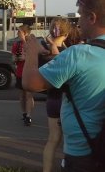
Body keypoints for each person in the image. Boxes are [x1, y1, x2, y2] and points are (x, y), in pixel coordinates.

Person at [23, 0, 105, 172]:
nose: (78, 24)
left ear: (92, 17)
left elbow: (30, 83)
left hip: (83, 154)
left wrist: (32, 51)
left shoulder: (79, 54)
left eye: (80, 17)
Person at [42, 18, 71, 172]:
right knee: (69, 141)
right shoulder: (70, 53)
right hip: (66, 101)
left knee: (52, 140)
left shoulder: (43, 50)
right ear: (66, 34)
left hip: (52, 99)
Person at [11, 24, 34, 126]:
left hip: (30, 72)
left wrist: (24, 41)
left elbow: (34, 56)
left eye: (19, 32)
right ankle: (24, 113)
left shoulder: (32, 43)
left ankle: (28, 116)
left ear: (25, 33)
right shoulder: (16, 44)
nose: (17, 34)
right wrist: (16, 58)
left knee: (29, 94)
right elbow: (13, 58)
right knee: (22, 95)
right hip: (20, 72)